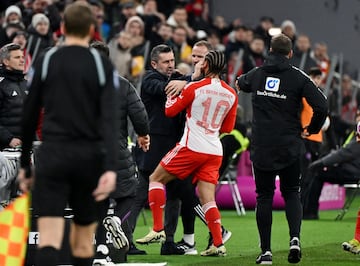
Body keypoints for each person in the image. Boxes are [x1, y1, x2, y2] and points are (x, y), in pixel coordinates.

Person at [17, 3, 119, 266]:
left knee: (49, 240)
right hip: (89, 159)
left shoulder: (47, 60)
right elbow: (109, 120)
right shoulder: (101, 65)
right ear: (91, 30)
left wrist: (24, 166)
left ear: (62, 27)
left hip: (53, 156)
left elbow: (28, 116)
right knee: (84, 243)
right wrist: (110, 168)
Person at [236, 33, 328, 264]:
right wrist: (311, 128)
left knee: (264, 197)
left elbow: (240, 83)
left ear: (269, 50)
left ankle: (265, 251)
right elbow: (322, 105)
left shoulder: (256, 74)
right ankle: (294, 239)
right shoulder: (299, 77)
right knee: (291, 193)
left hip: (262, 147)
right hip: (289, 146)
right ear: (290, 53)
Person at [137, 50, 238, 257]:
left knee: (155, 178)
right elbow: (228, 128)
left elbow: (170, 111)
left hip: (191, 146)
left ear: (206, 66)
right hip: (214, 150)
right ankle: (218, 244)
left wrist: (172, 94)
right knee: (207, 198)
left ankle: (158, 229)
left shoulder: (194, 87)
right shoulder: (231, 94)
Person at [89, 40, 150, 264]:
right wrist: (143, 135)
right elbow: (140, 115)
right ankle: (117, 226)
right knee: (129, 196)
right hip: (117, 152)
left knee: (96, 202)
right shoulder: (122, 85)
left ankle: (101, 250)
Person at [129, 44, 184, 255]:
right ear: (154, 64)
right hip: (152, 146)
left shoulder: (175, 78)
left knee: (174, 195)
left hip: (173, 145)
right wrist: (188, 79)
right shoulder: (151, 80)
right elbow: (167, 88)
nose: (171, 65)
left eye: (172, 61)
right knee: (139, 194)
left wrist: (183, 79)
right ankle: (125, 241)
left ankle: (168, 241)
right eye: (166, 62)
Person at [305, 115, 360, 220]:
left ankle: (310, 212)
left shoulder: (357, 143)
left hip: (352, 173)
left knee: (318, 174)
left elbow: (341, 154)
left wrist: (319, 163)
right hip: (353, 171)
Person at [0, 42, 26, 206]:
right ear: (6, 62)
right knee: (3, 201)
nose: (22, 60)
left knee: (22, 203)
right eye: (17, 57)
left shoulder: (26, 85)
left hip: (25, 153)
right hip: (4, 153)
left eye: (22, 57)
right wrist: (9, 138)